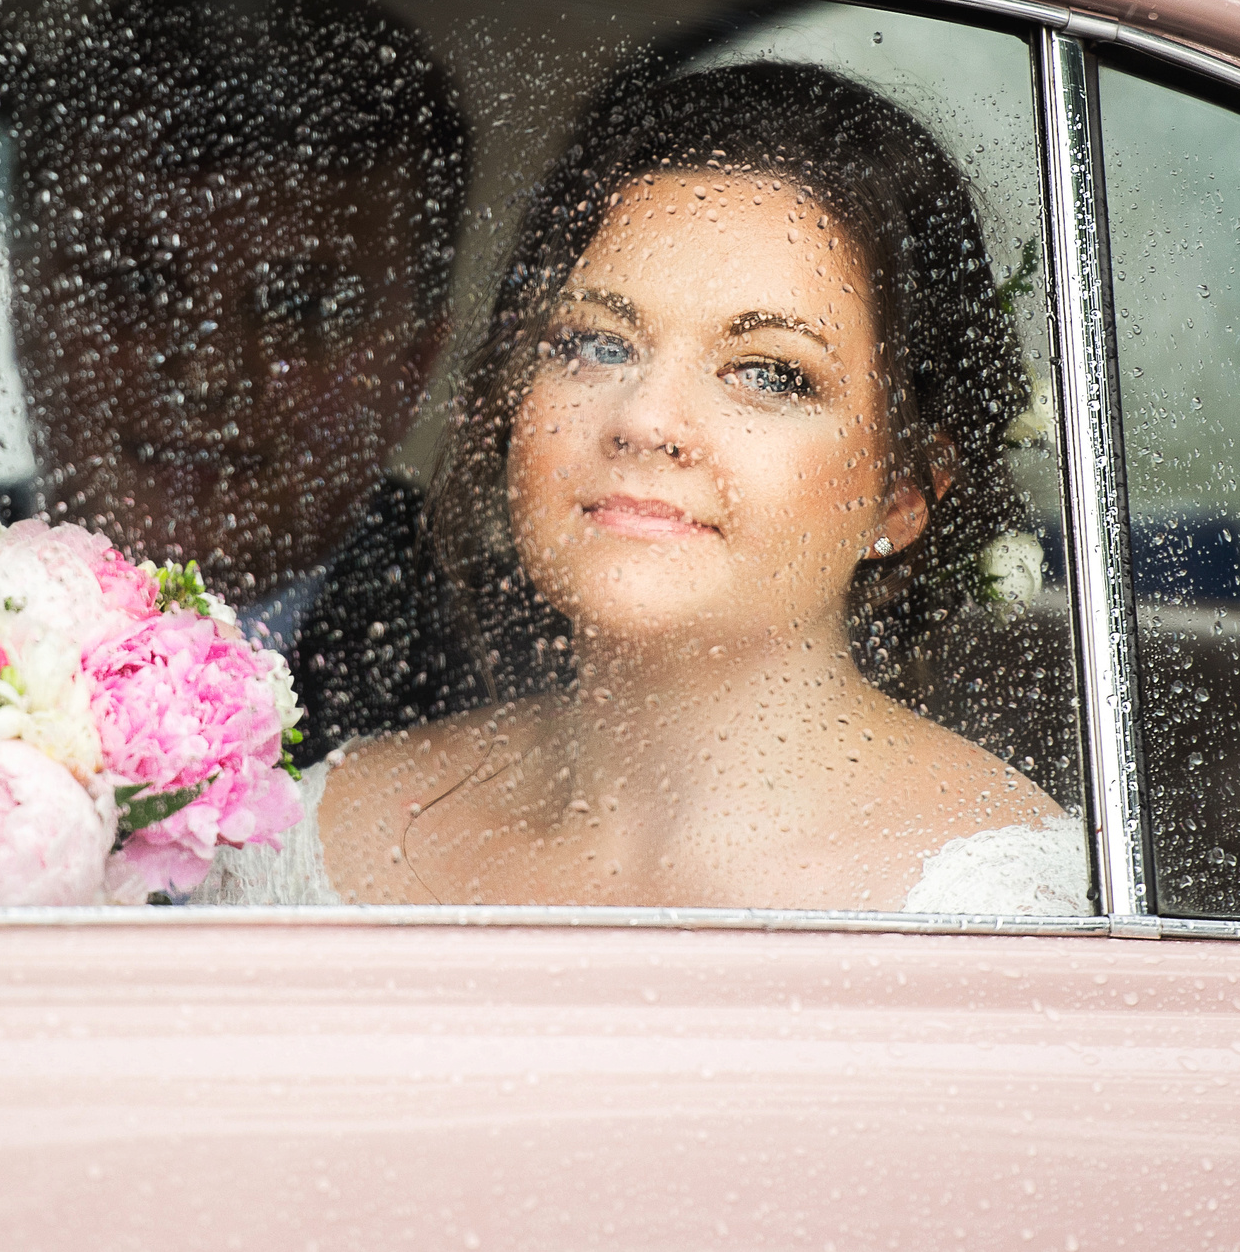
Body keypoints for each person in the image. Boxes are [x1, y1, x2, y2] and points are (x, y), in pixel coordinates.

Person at [198, 61, 1091, 916]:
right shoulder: (307, 839)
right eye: (596, 344)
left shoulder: (1004, 907)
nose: (645, 420)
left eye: (770, 374)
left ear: (903, 491)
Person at [7, 0, 481, 753]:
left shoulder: (517, 682)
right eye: (132, 285)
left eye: (299, 309)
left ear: (412, 367)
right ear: (29, 307)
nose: (205, 376)